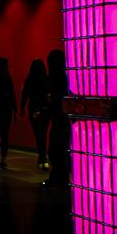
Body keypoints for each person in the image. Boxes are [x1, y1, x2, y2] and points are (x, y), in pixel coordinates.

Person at [43, 46, 71, 190]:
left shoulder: (54, 77)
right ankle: (62, 178)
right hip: (64, 119)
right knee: (61, 150)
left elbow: (55, 98)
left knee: (55, 150)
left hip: (58, 119)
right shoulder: (65, 76)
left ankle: (57, 178)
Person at [21, 55, 50, 178]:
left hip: (33, 108)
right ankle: (43, 157)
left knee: (38, 134)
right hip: (46, 109)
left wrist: (21, 108)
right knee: (43, 132)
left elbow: (24, 94)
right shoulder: (46, 79)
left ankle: (42, 156)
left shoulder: (29, 79)